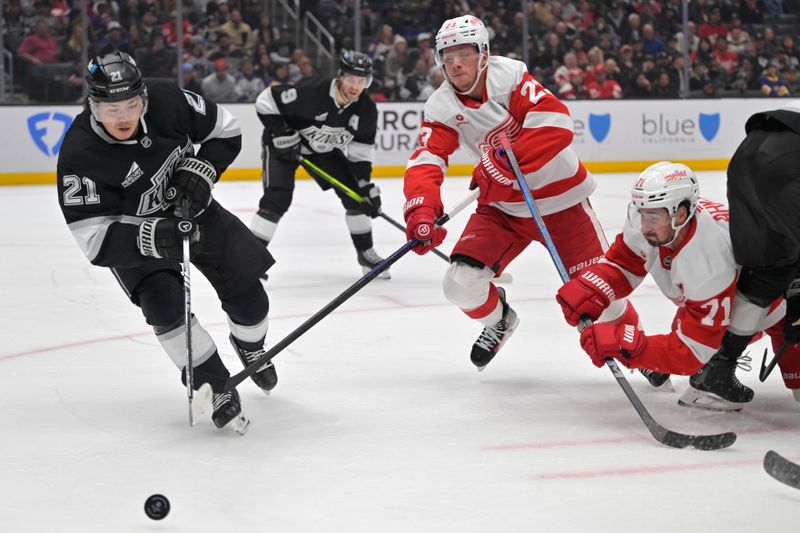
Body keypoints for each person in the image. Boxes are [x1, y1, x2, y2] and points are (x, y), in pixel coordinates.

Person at [56, 52, 277, 433]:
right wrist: (156, 236)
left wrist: (200, 171)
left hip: (193, 209)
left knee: (250, 295)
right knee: (164, 306)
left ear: (143, 97)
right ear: (92, 106)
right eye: (111, 109)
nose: (123, 116)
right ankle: (211, 381)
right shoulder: (80, 155)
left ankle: (250, 344)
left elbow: (225, 130)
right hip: (133, 236)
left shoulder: (168, 101)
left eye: (131, 104)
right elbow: (95, 240)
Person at [402, 15, 637, 370]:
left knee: (599, 295)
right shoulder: (441, 106)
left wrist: (504, 162)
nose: (455, 64)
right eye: (447, 57)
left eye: (463, 53)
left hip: (560, 203)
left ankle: (640, 348)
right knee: (460, 284)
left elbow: (556, 122)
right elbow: (427, 158)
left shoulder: (508, 78)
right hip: (503, 209)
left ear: (483, 54)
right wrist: (420, 209)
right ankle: (500, 321)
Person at [556, 162, 800, 410]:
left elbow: (692, 350)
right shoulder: (653, 218)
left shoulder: (708, 257)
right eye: (641, 213)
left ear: (681, 214)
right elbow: (626, 262)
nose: (643, 225)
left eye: (652, 216)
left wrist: (633, 346)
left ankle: (716, 375)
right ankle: (715, 377)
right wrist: (595, 286)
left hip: (784, 305)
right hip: (735, 299)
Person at [250, 50, 389, 278]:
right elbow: (266, 99)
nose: (355, 86)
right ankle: (249, 260)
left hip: (323, 151)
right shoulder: (312, 93)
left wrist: (363, 185)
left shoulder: (365, 109)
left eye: (362, 81)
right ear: (340, 76)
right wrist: (280, 131)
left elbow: (360, 153)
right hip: (285, 145)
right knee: (277, 198)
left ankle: (366, 253)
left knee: (356, 197)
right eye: (351, 79)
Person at [725, 103, 800, 405]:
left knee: (767, 266)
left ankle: (715, 371)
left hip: (748, 159)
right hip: (780, 166)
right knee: (775, 262)